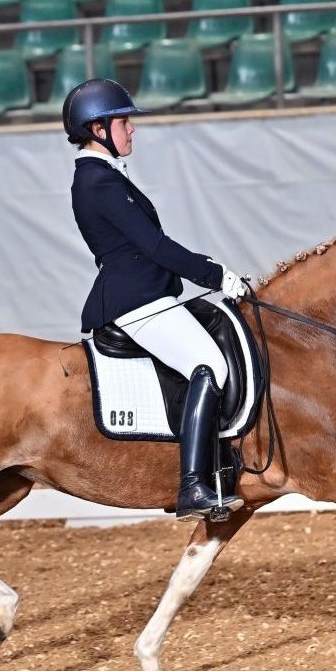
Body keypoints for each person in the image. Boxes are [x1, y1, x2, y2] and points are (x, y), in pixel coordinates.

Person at [65, 78, 246, 521]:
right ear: (98, 129)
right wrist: (215, 273)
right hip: (136, 301)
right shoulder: (96, 182)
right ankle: (193, 487)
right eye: (124, 122)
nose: (132, 130)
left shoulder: (105, 176)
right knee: (211, 365)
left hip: (147, 294)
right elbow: (155, 247)